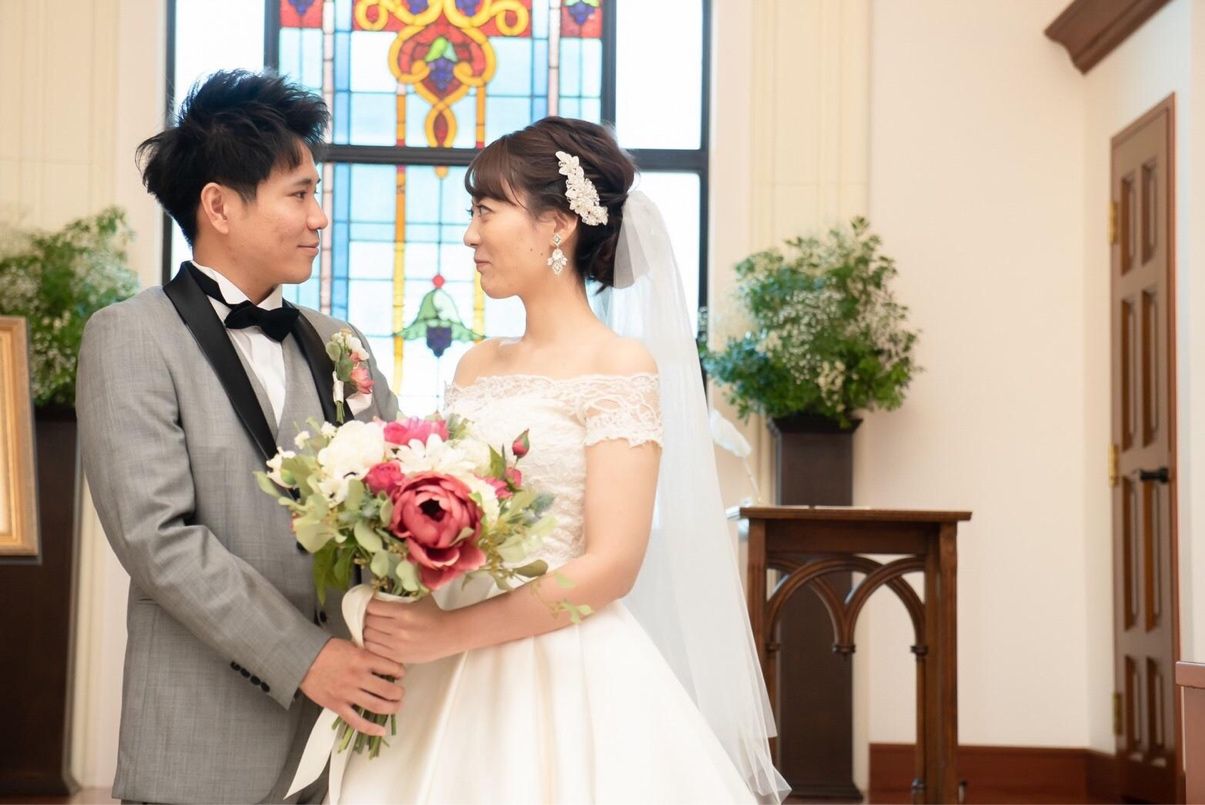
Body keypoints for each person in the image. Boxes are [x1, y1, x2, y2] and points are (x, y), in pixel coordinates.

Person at [323, 117, 788, 803]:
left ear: (558, 225)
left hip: (563, 660)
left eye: (487, 211)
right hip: (439, 656)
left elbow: (613, 564)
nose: (470, 235)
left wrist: (450, 633)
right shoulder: (475, 364)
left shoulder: (619, 365)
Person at [76, 69, 403, 804]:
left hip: (345, 745)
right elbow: (157, 538)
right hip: (202, 746)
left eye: (317, 193)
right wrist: (307, 658)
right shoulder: (130, 336)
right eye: (299, 194)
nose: (319, 217)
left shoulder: (340, 342)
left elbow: (400, 497)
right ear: (219, 205)